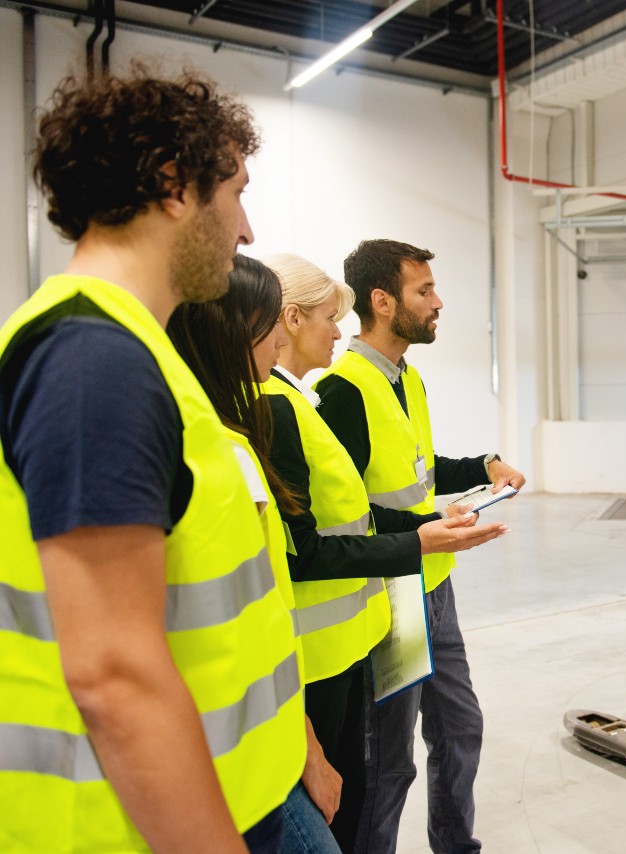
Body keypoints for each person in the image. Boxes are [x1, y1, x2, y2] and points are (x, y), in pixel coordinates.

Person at [0, 66, 303, 852]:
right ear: (174, 184)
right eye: (234, 191)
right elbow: (114, 675)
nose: (245, 229)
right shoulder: (92, 361)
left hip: (214, 799)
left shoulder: (134, 351)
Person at [261, 252, 508, 853]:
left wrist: (473, 477)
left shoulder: (405, 379)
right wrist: (418, 535)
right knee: (384, 762)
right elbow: (327, 530)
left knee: (456, 727)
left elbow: (410, 473)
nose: (439, 302)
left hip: (425, 574)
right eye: (424, 290)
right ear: (384, 301)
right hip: (386, 591)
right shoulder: (332, 392)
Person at [168, 254, 345, 854]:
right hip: (220, 770)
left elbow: (263, 622)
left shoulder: (231, 440)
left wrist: (306, 747)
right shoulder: (199, 449)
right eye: (270, 323)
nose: (279, 338)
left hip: (266, 748)